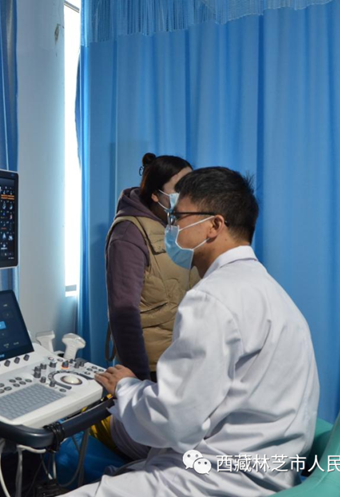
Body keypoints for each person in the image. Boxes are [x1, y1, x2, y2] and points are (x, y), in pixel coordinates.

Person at [71, 167, 320, 496]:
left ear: (215, 225)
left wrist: (126, 387)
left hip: (218, 479)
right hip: (269, 469)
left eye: (178, 217)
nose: (170, 227)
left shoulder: (213, 298)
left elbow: (174, 422)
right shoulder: (274, 294)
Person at [105, 153, 197, 383]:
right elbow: (124, 313)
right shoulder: (129, 234)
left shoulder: (182, 227)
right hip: (154, 367)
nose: (188, 195)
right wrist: (138, 380)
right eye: (180, 189)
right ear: (156, 195)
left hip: (186, 359)